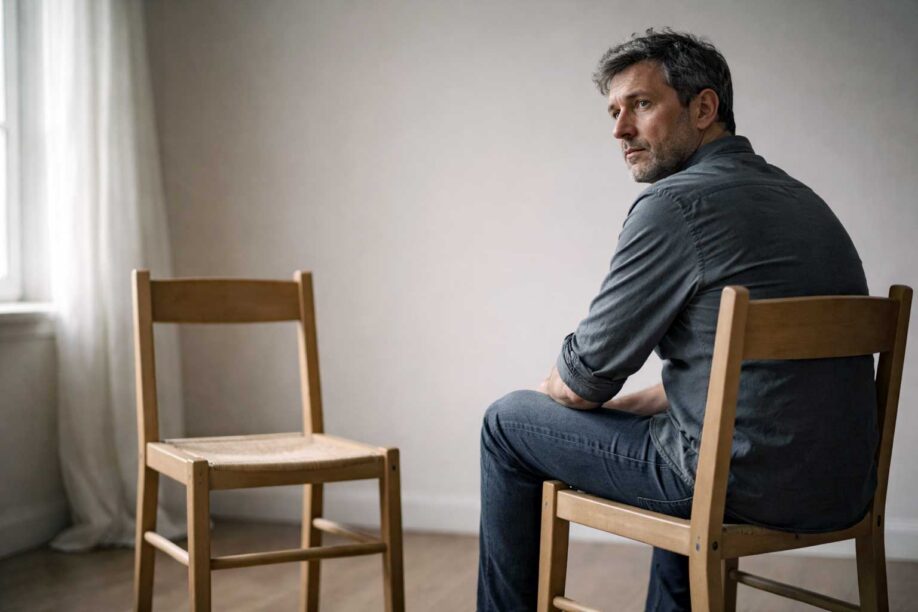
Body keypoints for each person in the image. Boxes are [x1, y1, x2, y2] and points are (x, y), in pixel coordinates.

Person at [478, 29, 876, 611]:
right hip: (842, 489)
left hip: (735, 485)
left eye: (640, 105)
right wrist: (626, 407)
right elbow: (747, 373)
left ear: (704, 107)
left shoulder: (673, 206)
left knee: (508, 422)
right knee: (686, 437)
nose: (619, 130)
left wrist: (555, 390)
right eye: (614, 112)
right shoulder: (805, 202)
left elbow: (585, 379)